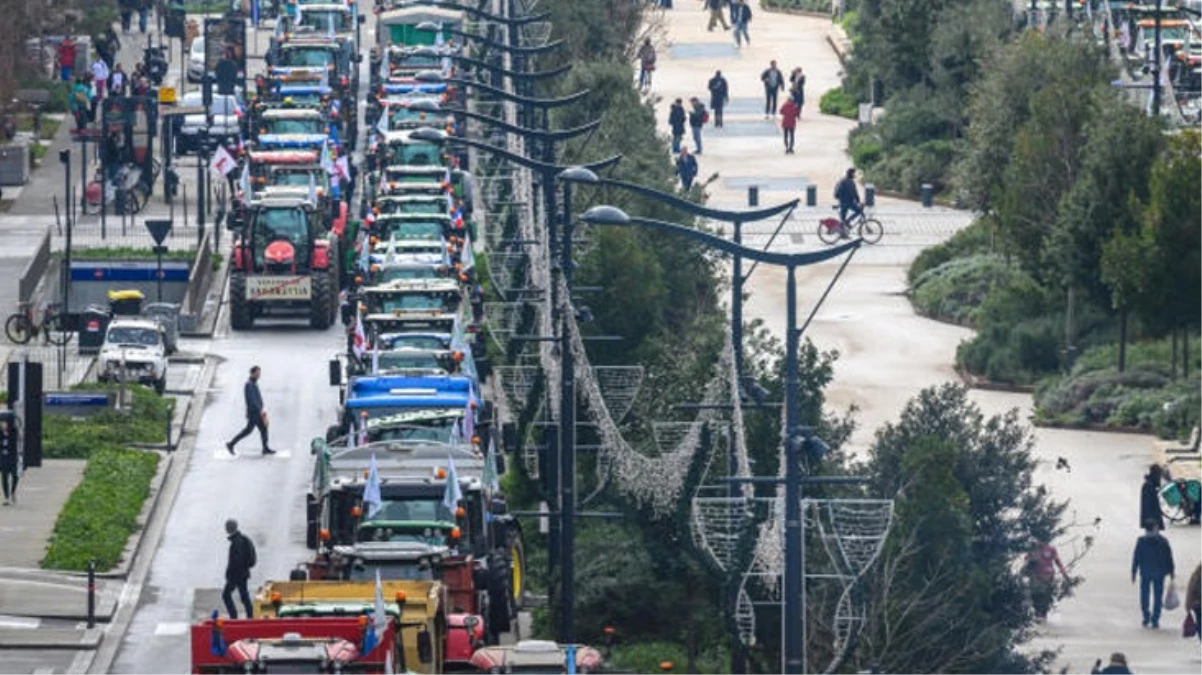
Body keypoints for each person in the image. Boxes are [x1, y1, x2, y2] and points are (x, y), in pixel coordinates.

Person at [1132, 519, 1175, 628]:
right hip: (1159, 573)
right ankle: (1155, 618)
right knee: (1158, 596)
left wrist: (1134, 572)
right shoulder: (1163, 541)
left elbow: (1136, 557)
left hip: (1145, 572)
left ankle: (1146, 616)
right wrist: (1171, 571)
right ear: (1155, 528)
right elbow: (1168, 557)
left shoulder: (1141, 541)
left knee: (1144, 595)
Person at [226, 366, 274, 455]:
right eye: (257, 373)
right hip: (254, 413)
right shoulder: (249, 384)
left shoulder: (253, 383)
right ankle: (231, 444)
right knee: (248, 431)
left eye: (259, 373)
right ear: (252, 373)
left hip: (257, 412)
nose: (259, 375)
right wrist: (259, 410)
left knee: (263, 428)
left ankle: (265, 448)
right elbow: (252, 400)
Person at [1025, 539, 1069, 622]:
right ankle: (1037, 614)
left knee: (1046, 596)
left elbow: (1058, 562)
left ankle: (1043, 615)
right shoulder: (1033, 549)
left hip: (1048, 576)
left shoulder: (1051, 549)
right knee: (1035, 595)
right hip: (1035, 576)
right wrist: (1031, 558)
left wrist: (1065, 575)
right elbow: (1027, 560)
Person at [221, 519, 257, 619]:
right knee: (244, 596)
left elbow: (235, 561)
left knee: (226, 595)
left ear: (229, 528)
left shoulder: (236, 542)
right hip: (243, 573)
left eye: (226, 527)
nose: (225, 529)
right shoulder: (242, 539)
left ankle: (234, 616)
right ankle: (250, 616)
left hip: (236, 575)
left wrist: (229, 574)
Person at [834, 168, 863, 235]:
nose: (854, 175)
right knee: (859, 211)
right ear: (851, 173)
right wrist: (858, 201)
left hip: (843, 201)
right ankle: (847, 223)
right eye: (853, 173)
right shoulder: (850, 182)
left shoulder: (843, 180)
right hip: (848, 202)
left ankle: (843, 233)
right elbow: (854, 192)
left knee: (843, 220)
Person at [0, 418, 19, 506]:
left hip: (12, 458)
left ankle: (13, 492)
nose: (2, 425)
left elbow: (15, 442)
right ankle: (6, 497)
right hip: (3, 459)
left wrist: (7, 434)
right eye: (1, 423)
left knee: (15, 476)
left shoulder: (13, 432)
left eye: (4, 423)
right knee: (4, 478)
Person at [1141, 464, 1165, 532]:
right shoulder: (1149, 486)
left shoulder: (1149, 484)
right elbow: (1149, 506)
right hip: (1151, 520)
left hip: (1151, 520)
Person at [1187, 558, 1202, 645]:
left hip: (1198, 605)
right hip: (1198, 605)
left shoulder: (1196, 575)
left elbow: (1191, 590)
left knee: (1200, 625)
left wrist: (1188, 604)